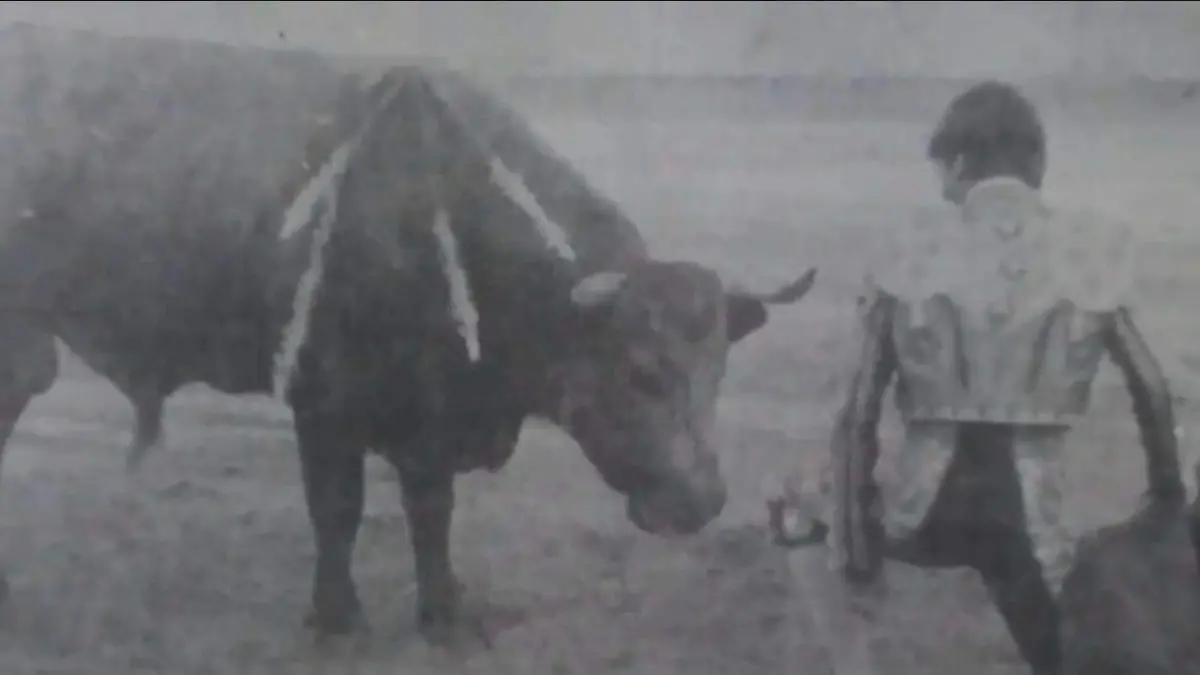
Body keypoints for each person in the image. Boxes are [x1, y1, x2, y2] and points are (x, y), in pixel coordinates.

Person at [767, 80, 1187, 675]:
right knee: (1053, 629)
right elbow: (1153, 387)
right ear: (1037, 161)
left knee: (794, 500)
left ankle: (858, 663)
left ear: (958, 162)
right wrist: (1166, 498)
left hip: (928, 509)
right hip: (1040, 521)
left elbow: (857, 406)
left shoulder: (907, 247)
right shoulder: (1094, 247)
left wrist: (855, 542)